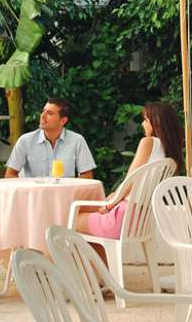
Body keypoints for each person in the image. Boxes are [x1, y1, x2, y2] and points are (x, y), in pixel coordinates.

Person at [74, 101, 183, 240]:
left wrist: (109, 205)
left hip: (123, 219)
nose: (143, 124)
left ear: (155, 122)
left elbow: (130, 180)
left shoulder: (148, 142)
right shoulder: (170, 155)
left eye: (145, 120)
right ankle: (98, 261)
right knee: (88, 214)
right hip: (141, 222)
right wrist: (114, 196)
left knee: (73, 217)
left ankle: (82, 261)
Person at [5, 97, 96, 179]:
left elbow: (87, 176)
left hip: (65, 195)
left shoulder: (77, 140)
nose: (42, 116)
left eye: (50, 113)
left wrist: (68, 188)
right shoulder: (25, 141)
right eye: (43, 111)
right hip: (35, 195)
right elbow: (10, 175)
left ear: (63, 121)